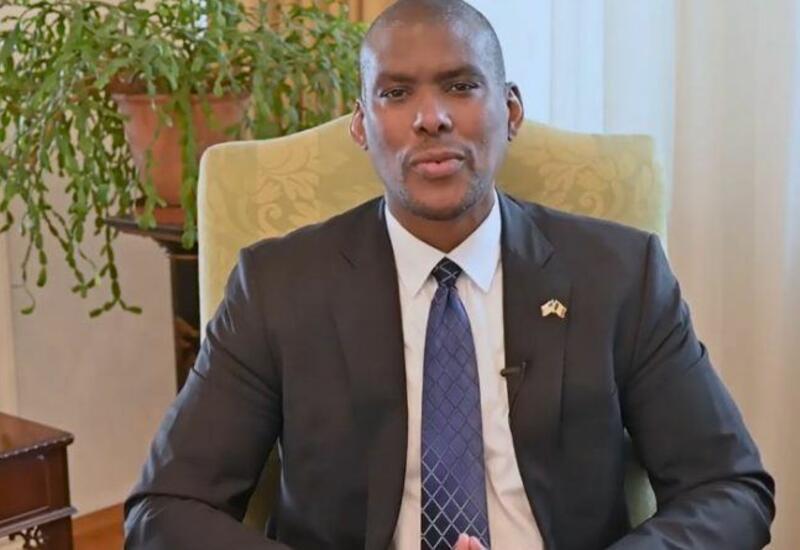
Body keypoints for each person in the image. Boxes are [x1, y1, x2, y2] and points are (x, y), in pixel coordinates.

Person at [124, 1, 775, 548]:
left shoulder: (621, 274)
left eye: (460, 86)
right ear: (361, 125)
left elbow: (730, 488)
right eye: (395, 93)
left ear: (510, 111)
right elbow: (165, 509)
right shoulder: (277, 286)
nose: (430, 117)